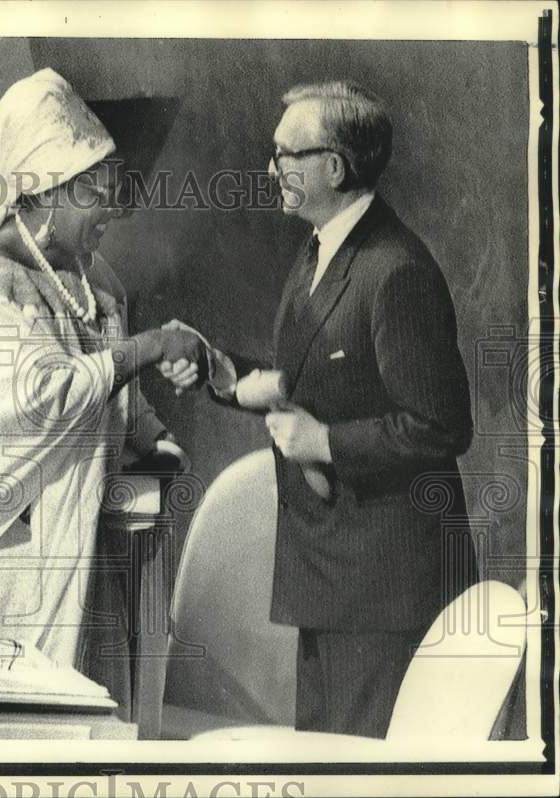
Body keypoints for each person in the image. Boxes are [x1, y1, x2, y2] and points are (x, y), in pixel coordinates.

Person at [167, 80, 478, 738]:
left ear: (333, 167)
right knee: (325, 755)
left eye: (286, 154)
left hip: (382, 588)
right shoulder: (321, 247)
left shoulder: (395, 271)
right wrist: (225, 375)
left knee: (355, 768)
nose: (271, 168)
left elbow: (441, 425)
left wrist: (327, 444)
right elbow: (321, 376)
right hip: (334, 572)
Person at [0, 68, 204, 666]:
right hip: (7, 568)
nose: (111, 207)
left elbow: (117, 399)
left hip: (88, 553)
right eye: (91, 191)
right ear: (42, 192)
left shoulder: (94, 280)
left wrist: (156, 439)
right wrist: (153, 345)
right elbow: (47, 398)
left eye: (111, 186)